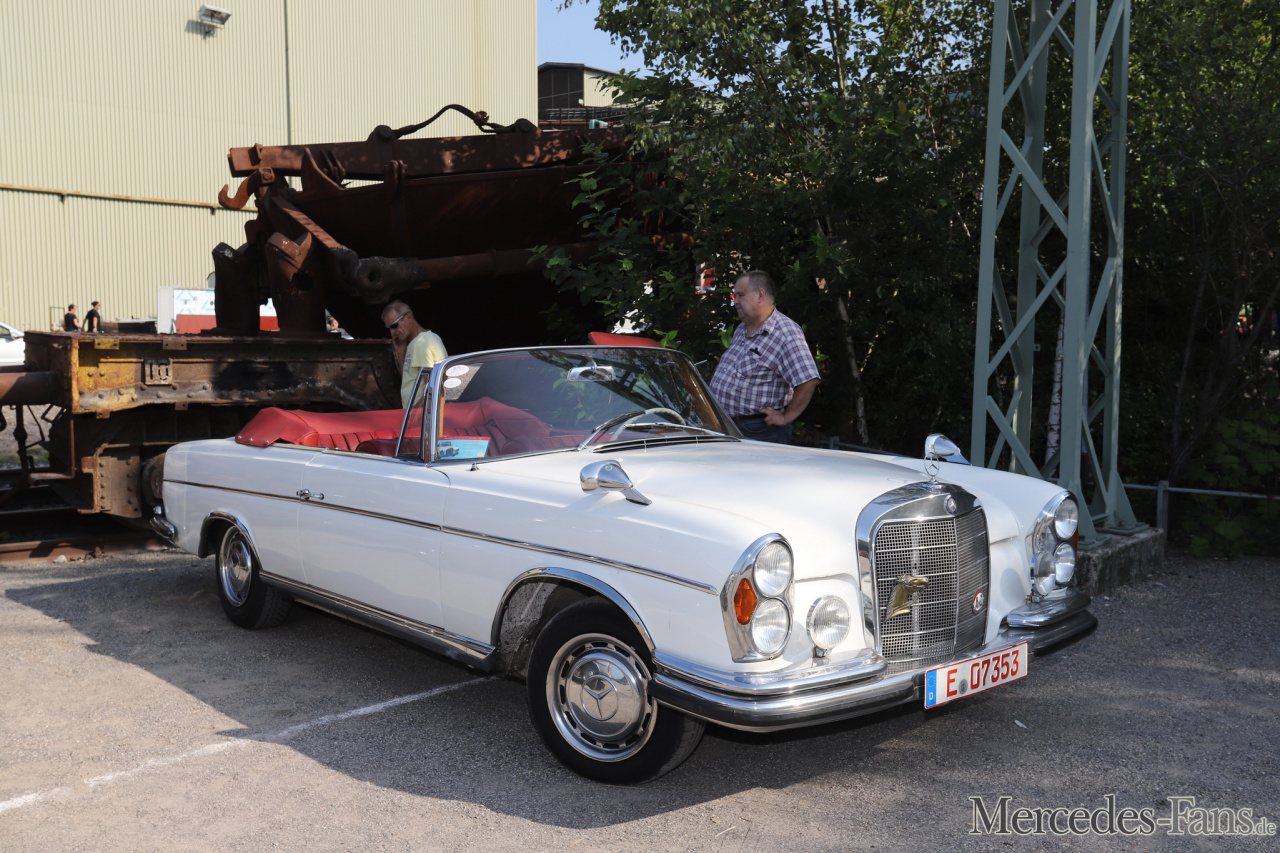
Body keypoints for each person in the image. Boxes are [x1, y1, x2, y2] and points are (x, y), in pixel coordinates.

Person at [709, 270, 820, 444]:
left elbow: (808, 379)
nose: (735, 301)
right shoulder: (743, 328)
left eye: (740, 295)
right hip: (728, 426)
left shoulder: (785, 332)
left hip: (758, 431)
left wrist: (786, 417)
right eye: (735, 296)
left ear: (761, 295)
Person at [382, 300, 447, 408]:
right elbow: (409, 379)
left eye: (394, 325)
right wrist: (401, 352)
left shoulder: (421, 343)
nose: (392, 332)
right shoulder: (418, 342)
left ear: (408, 318)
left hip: (419, 415)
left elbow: (432, 391)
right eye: (389, 328)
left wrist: (413, 414)